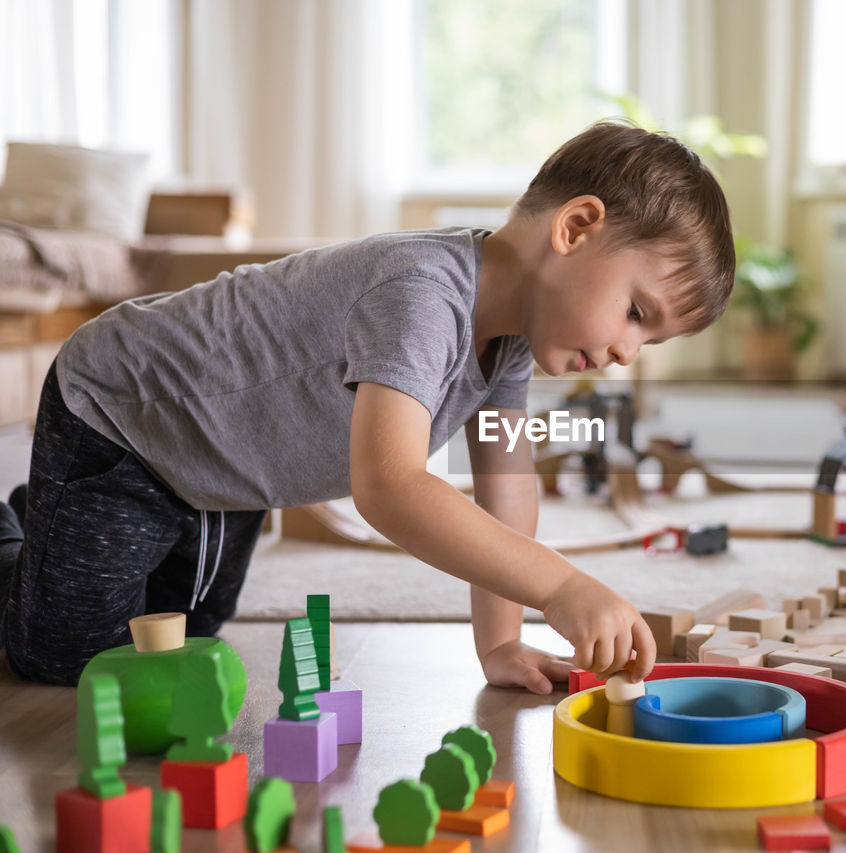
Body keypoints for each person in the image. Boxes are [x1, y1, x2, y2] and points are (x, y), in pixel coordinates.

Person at [0, 120, 736, 690]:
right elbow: (388, 485)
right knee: (68, 659)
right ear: (574, 228)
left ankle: (52, 517)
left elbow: (506, 490)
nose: (627, 353)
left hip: (222, 469)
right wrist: (564, 584)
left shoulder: (508, 342)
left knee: (188, 634)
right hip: (127, 414)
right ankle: (22, 532)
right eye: (638, 313)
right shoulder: (420, 291)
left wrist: (501, 642)